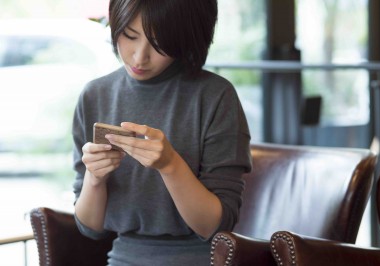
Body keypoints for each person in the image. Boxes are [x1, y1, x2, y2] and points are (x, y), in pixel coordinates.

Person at [72, 0, 252, 265]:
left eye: (159, 44)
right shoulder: (95, 95)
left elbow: (215, 228)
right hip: (123, 259)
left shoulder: (215, 97)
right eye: (129, 36)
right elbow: (89, 227)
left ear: (187, 38)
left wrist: (170, 165)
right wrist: (94, 179)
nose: (139, 56)